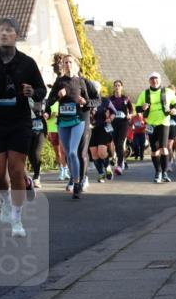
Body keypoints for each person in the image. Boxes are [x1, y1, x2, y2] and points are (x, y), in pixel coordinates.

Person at [0, 17, 46, 236]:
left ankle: (17, 220)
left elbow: (41, 90)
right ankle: (5, 200)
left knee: (16, 169)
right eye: (1, 31)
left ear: (17, 36)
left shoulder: (27, 63)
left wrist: (33, 92)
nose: (4, 34)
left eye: (9, 30)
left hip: (19, 122)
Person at [46, 54, 98, 199]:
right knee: (68, 153)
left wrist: (85, 102)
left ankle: (77, 183)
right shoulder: (59, 81)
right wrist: (58, 95)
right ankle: (74, 179)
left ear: (74, 65)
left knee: (74, 152)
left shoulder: (81, 81)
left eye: (70, 62)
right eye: (66, 62)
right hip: (63, 121)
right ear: (63, 65)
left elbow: (94, 100)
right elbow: (49, 101)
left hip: (78, 120)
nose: (68, 64)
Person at [136, 72, 176, 183]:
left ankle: (164, 172)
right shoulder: (144, 93)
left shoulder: (167, 91)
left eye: (156, 79)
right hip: (150, 124)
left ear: (160, 80)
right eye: (152, 79)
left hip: (164, 122)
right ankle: (158, 172)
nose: (154, 81)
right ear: (149, 81)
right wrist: (142, 108)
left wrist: (174, 109)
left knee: (163, 147)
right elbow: (137, 108)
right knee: (154, 150)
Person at [88, 82, 116, 182]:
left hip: (103, 128)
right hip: (91, 129)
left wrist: (110, 118)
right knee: (94, 154)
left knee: (101, 152)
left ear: (99, 90)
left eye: (95, 89)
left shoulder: (105, 100)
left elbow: (114, 111)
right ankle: (101, 174)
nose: (93, 91)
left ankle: (108, 168)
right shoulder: (87, 101)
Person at [108, 80, 133, 175]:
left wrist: (130, 115)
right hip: (114, 123)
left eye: (119, 85)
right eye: (115, 85)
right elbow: (107, 110)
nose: (117, 87)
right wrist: (109, 117)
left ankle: (119, 165)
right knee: (115, 143)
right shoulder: (110, 99)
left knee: (120, 143)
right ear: (114, 87)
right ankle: (121, 160)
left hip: (124, 123)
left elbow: (131, 109)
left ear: (121, 87)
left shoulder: (125, 99)